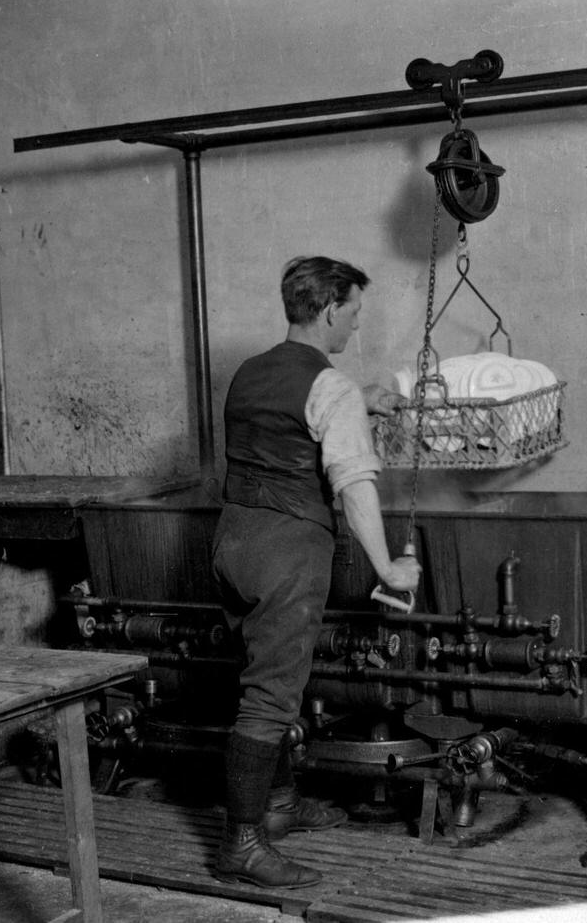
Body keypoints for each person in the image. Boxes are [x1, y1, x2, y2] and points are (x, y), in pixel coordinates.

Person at [211, 255, 422, 889]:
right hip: (289, 550)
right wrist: (390, 566)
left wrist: (362, 400)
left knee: (266, 679)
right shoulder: (328, 388)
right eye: (354, 312)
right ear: (331, 308)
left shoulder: (250, 372)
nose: (355, 328)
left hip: (232, 540)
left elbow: (288, 416)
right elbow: (353, 482)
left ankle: (278, 805)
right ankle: (243, 846)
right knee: (270, 697)